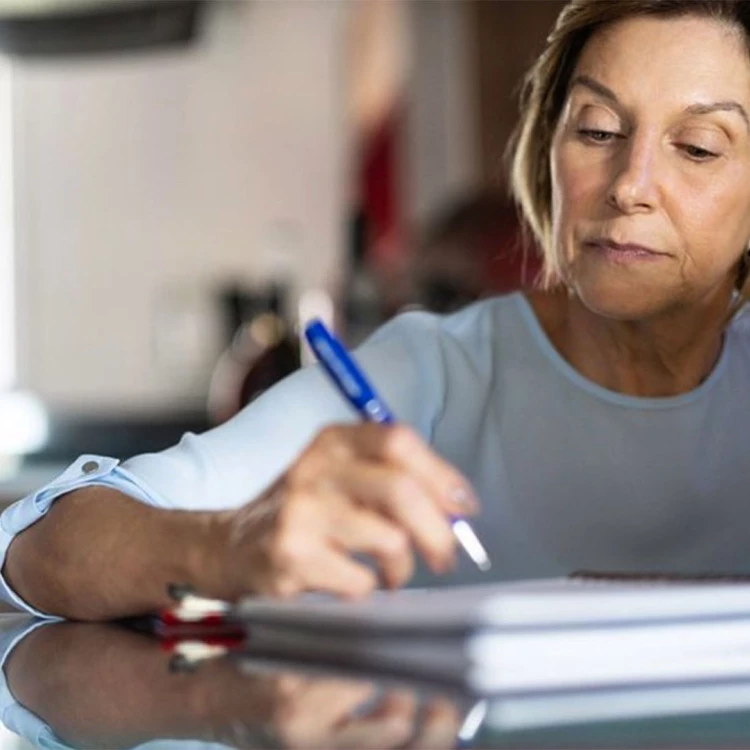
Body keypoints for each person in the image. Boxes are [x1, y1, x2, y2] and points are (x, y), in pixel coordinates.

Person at [5, 0, 750, 621]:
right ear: (548, 152)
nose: (630, 185)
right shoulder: (433, 372)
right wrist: (226, 548)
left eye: (698, 146)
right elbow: (36, 545)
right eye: (597, 131)